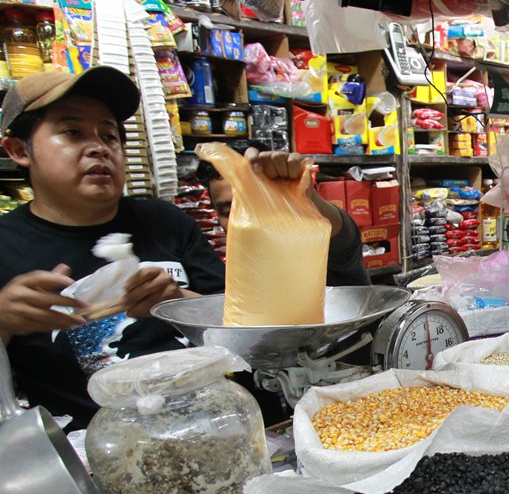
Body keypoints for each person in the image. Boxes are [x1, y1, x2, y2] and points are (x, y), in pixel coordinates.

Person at [0, 67, 368, 428]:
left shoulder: (164, 221)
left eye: (110, 135)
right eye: (72, 132)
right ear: (19, 150)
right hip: (98, 446)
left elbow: (243, 330)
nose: (98, 147)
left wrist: (176, 302)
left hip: (218, 424)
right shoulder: (7, 246)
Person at [195, 138, 368, 285]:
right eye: (228, 212)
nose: (245, 222)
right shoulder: (240, 270)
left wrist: (306, 197)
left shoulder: (319, 242)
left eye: (256, 205)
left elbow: (342, 232)